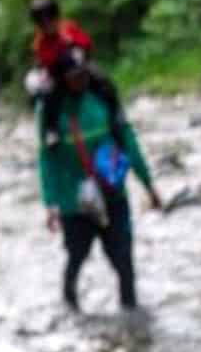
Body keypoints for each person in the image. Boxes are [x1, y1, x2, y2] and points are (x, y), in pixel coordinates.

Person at [37, 47, 162, 311]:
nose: (80, 81)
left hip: (112, 193)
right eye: (73, 76)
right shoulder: (51, 111)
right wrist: (50, 204)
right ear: (62, 78)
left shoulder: (103, 97)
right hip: (75, 202)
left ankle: (131, 314)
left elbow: (127, 141)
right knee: (77, 256)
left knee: (123, 258)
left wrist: (148, 184)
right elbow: (47, 162)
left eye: (83, 75)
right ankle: (70, 305)